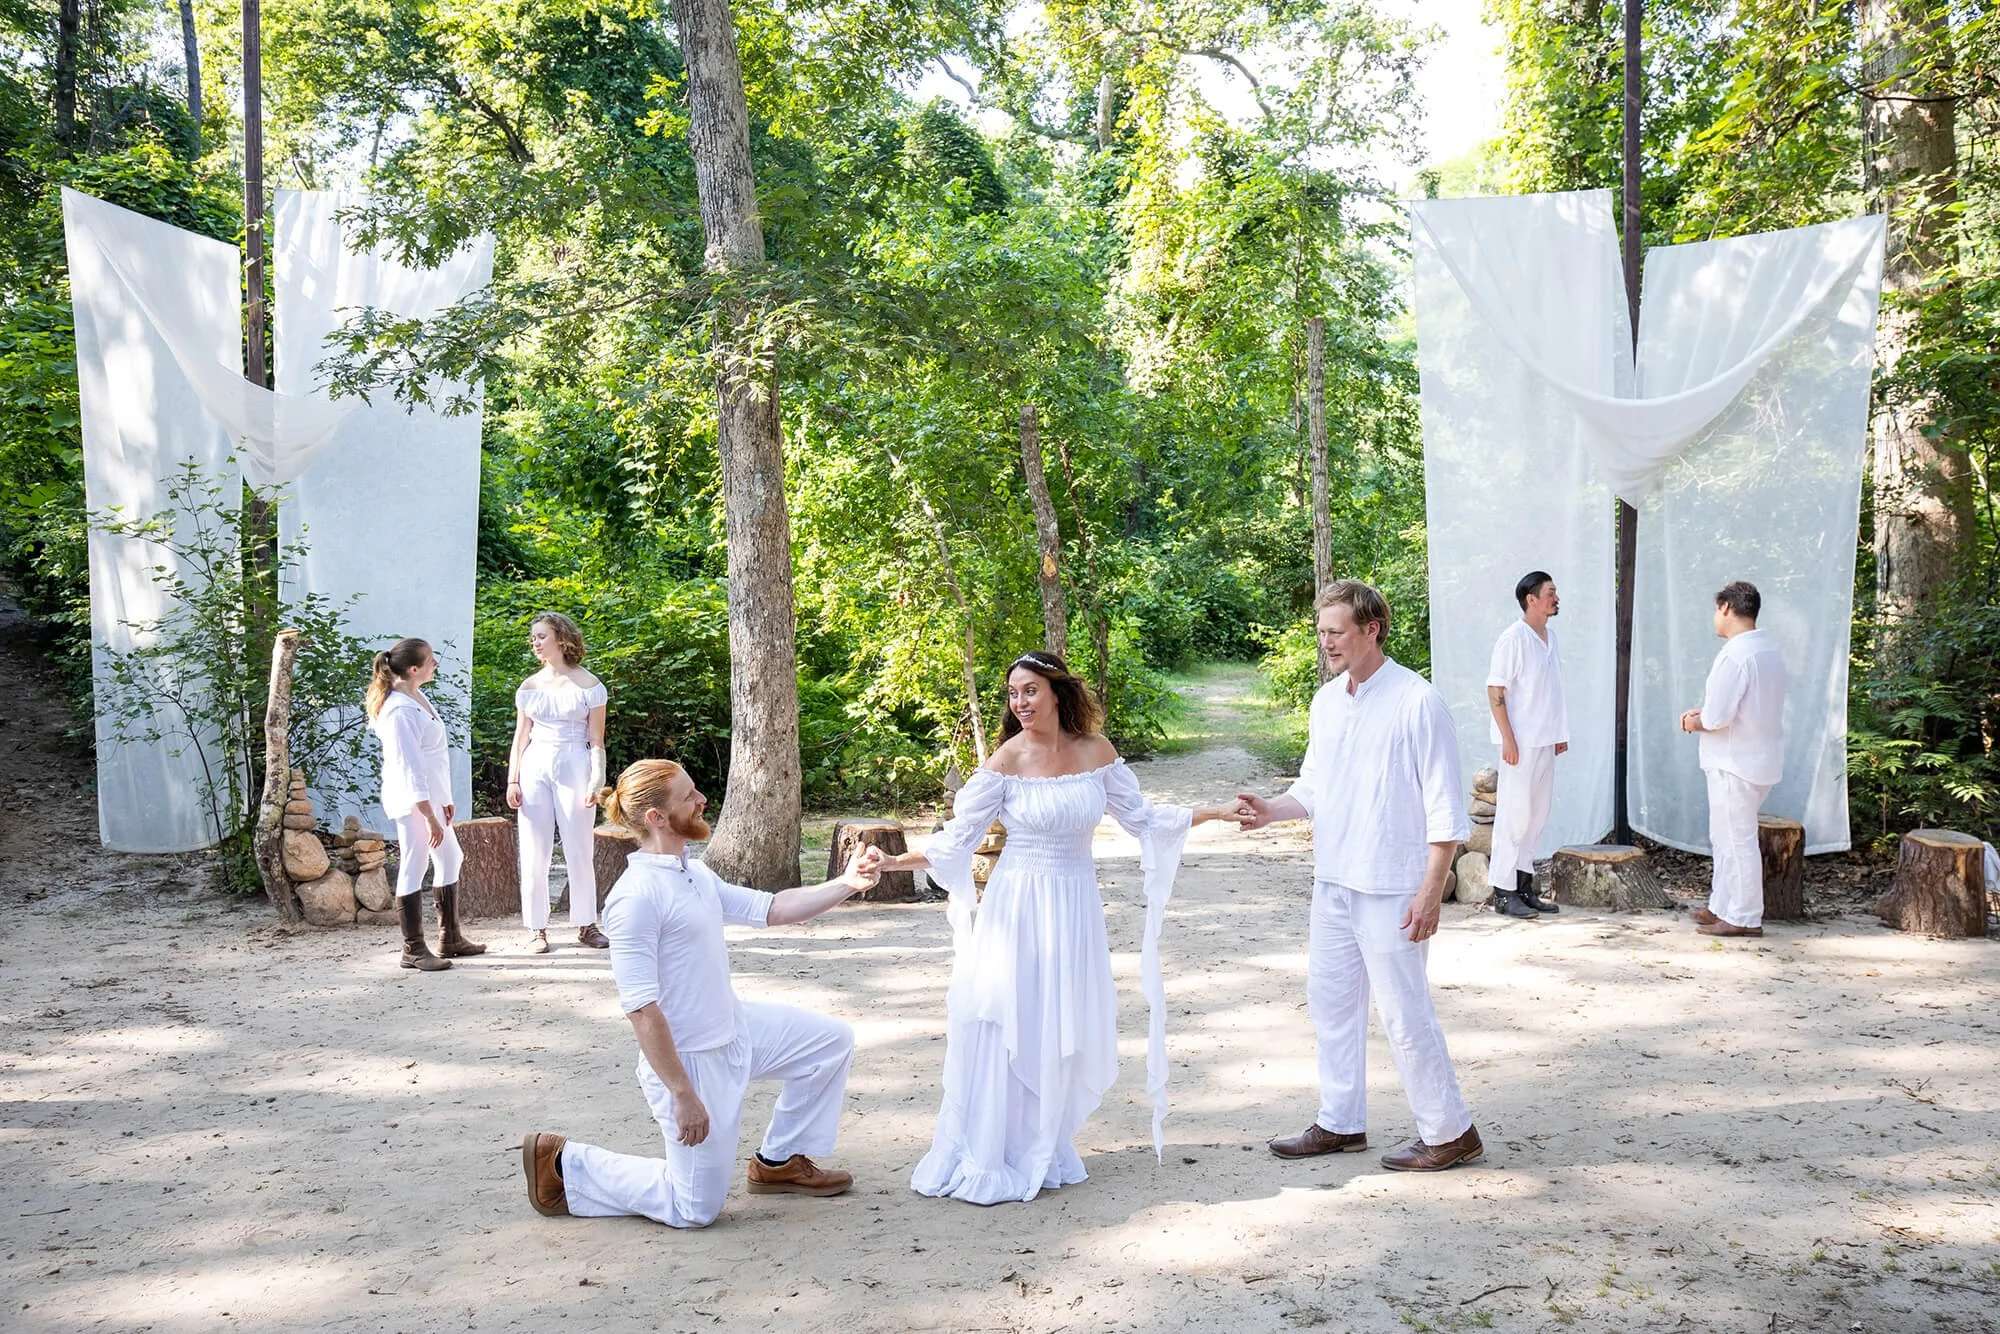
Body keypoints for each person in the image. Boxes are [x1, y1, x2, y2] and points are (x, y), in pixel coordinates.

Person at [874, 650, 1245, 1205]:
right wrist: (891, 863)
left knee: (1055, 1020)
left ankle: (1041, 1144)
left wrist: (1213, 811)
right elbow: (956, 842)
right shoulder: (1005, 761)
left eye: (1030, 691)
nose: (1020, 703)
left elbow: (1142, 818)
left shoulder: (1097, 752)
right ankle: (994, 1149)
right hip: (1017, 905)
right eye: (1013, 694)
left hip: (1073, 905)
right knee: (1010, 1020)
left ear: (1056, 692)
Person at [521, 759, 881, 1228]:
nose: (701, 800)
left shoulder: (694, 873)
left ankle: (778, 1162)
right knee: (695, 1209)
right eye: (689, 796)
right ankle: (565, 1163)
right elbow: (641, 1009)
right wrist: (682, 1092)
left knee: (830, 1042)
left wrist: (846, 884)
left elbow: (772, 908)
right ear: (656, 817)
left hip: (737, 1030)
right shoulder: (635, 898)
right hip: (691, 1061)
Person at [1235, 580, 1483, 1172]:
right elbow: (1315, 786)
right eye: (1321, 633)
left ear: (1372, 630)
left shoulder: (1418, 702)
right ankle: (1341, 1122)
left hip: (1394, 884)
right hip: (1335, 879)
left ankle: (1451, 1131)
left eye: (1336, 632)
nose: (1325, 643)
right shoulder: (1327, 702)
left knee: (1403, 1009)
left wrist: (1431, 890)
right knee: (1330, 1002)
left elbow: (1445, 805)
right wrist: (1273, 811)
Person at [364, 638, 484, 972]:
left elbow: (434, 759)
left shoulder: (416, 696)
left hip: (432, 798)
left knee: (450, 856)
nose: (436, 665)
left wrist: (444, 800)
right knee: (414, 862)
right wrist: (428, 814)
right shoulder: (399, 710)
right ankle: (413, 949)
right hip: (413, 801)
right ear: (414, 669)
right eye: (431, 661)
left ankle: (450, 937)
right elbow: (410, 769)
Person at [1679, 580, 1786, 938]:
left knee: (1736, 839)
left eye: (1715, 609)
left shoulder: (1736, 654)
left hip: (1734, 761)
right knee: (1724, 836)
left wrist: (1696, 721)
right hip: (1756, 755)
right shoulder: (1766, 650)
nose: (1714, 617)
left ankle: (1744, 915)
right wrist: (1707, 714)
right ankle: (1722, 904)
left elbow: (1718, 717)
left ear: (1726, 607)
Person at [506, 612, 610, 953]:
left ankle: (586, 923)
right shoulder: (529, 687)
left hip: (575, 763)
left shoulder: (590, 686)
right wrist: (513, 780)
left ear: (562, 639)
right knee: (534, 848)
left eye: (541, 636)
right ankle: (537, 928)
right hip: (535, 763)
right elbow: (520, 737)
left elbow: (597, 740)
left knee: (579, 846)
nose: (535, 643)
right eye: (533, 637)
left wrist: (597, 780)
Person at [1485, 570, 1569, 919]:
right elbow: (1495, 689)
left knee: (1537, 816)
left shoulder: (1549, 638)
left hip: (1545, 741)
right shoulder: (1513, 638)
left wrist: (1560, 733)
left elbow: (1553, 689)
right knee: (1514, 816)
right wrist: (1508, 738)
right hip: (1520, 743)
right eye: (1550, 592)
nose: (1556, 597)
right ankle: (1503, 892)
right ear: (1530, 599)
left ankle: (1524, 885)